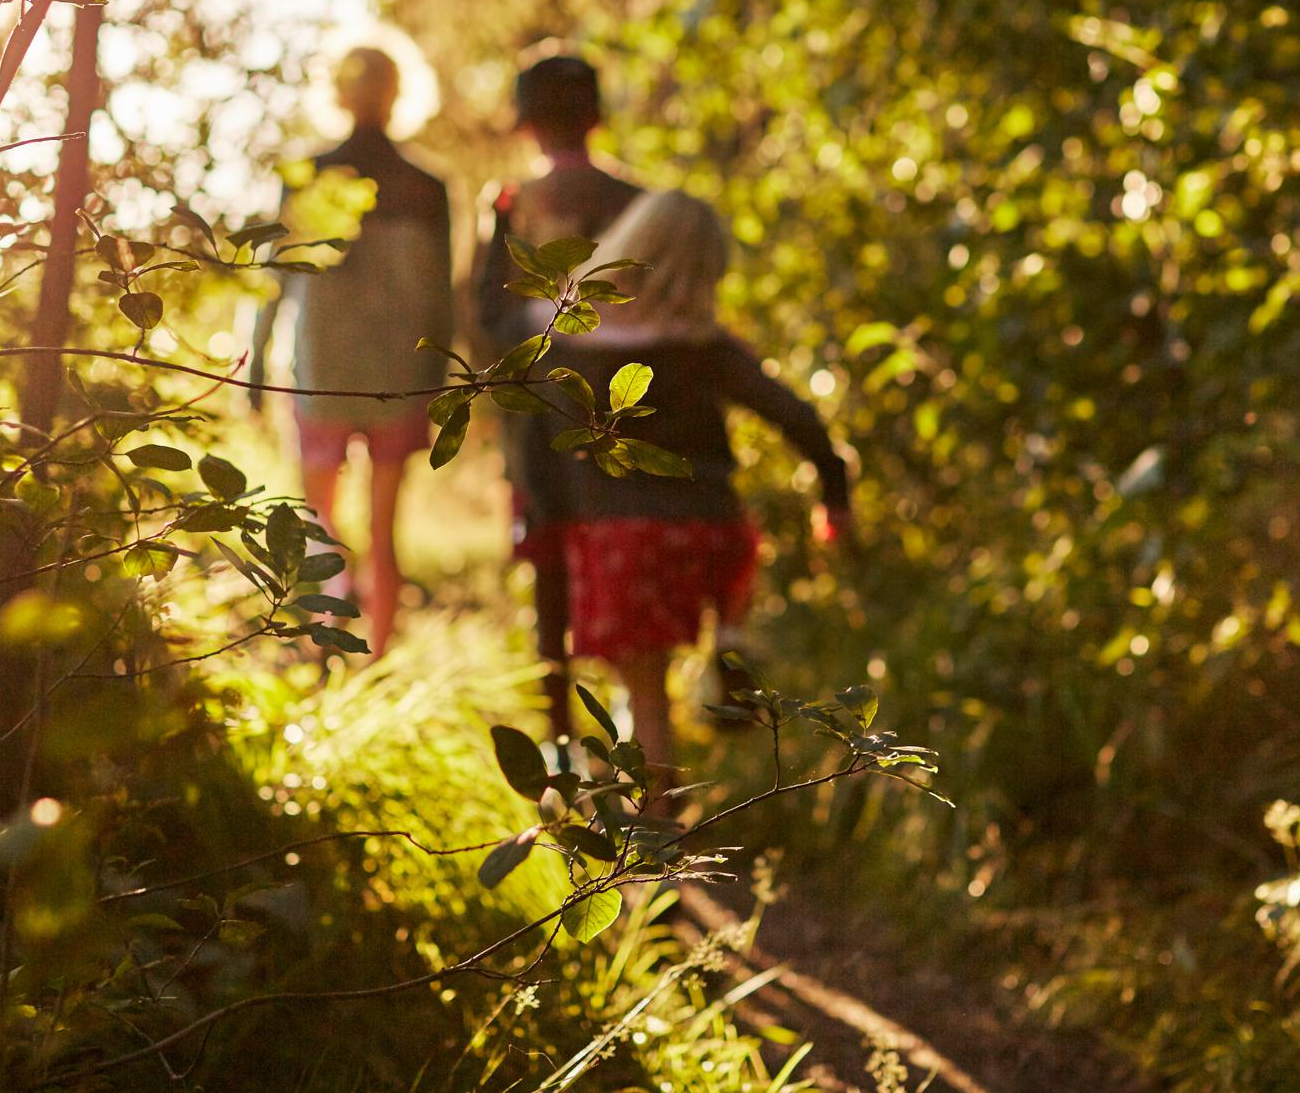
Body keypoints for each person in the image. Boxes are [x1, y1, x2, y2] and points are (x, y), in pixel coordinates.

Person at [547, 190, 851, 784]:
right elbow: (797, 418)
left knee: (648, 697)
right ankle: (730, 639)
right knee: (727, 561)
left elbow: (550, 447)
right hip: (713, 529)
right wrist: (835, 495)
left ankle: (659, 834)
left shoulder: (576, 341)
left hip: (625, 532)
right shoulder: (709, 348)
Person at [251, 46, 452, 654]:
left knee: (320, 526)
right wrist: (438, 381)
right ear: (398, 94)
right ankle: (379, 659)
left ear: (337, 93)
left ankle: (327, 652)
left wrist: (257, 365)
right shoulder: (428, 187)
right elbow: (443, 299)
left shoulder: (309, 173)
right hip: (402, 379)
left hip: (322, 374)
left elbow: (274, 279)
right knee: (384, 533)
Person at [472, 53, 641, 739]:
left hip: (541, 419)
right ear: (597, 118)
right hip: (629, 413)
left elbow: (487, 309)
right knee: (627, 557)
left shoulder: (512, 205)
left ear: (526, 126)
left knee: (551, 575)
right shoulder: (639, 199)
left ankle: (562, 735)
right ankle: (639, 726)